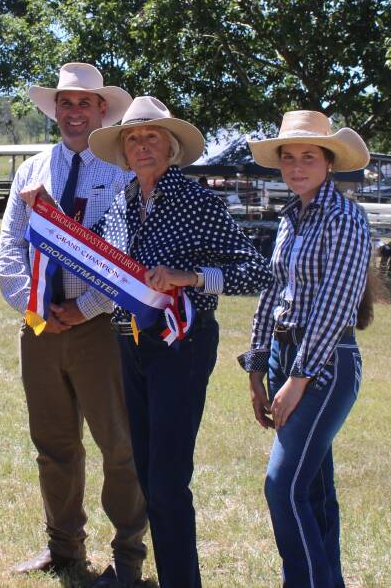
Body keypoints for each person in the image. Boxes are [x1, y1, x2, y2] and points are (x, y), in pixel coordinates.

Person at [71, 96, 271, 587]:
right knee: (147, 472)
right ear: (123, 149)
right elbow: (84, 248)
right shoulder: (121, 204)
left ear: (172, 146)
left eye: (151, 137)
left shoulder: (198, 201)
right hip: (129, 344)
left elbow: (256, 271)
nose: (142, 146)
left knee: (166, 481)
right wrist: (44, 219)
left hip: (181, 345)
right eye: (133, 138)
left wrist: (189, 277)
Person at [0, 62, 148, 587]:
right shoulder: (31, 170)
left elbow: (124, 256)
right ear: (54, 109)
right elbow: (9, 247)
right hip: (39, 328)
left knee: (118, 446)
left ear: (102, 110)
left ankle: (128, 556)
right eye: (66, 102)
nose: (75, 112)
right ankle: (63, 547)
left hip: (101, 330)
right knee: (53, 444)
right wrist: (31, 305)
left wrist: (84, 309)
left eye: (85, 103)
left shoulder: (122, 170)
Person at [239, 110, 381, 588]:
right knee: (314, 490)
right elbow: (271, 292)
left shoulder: (345, 219)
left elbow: (336, 306)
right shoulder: (290, 219)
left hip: (323, 364)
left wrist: (297, 380)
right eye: (289, 158)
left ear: (329, 163)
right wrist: (258, 369)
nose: (297, 167)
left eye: (308, 157)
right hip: (286, 356)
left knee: (283, 486)